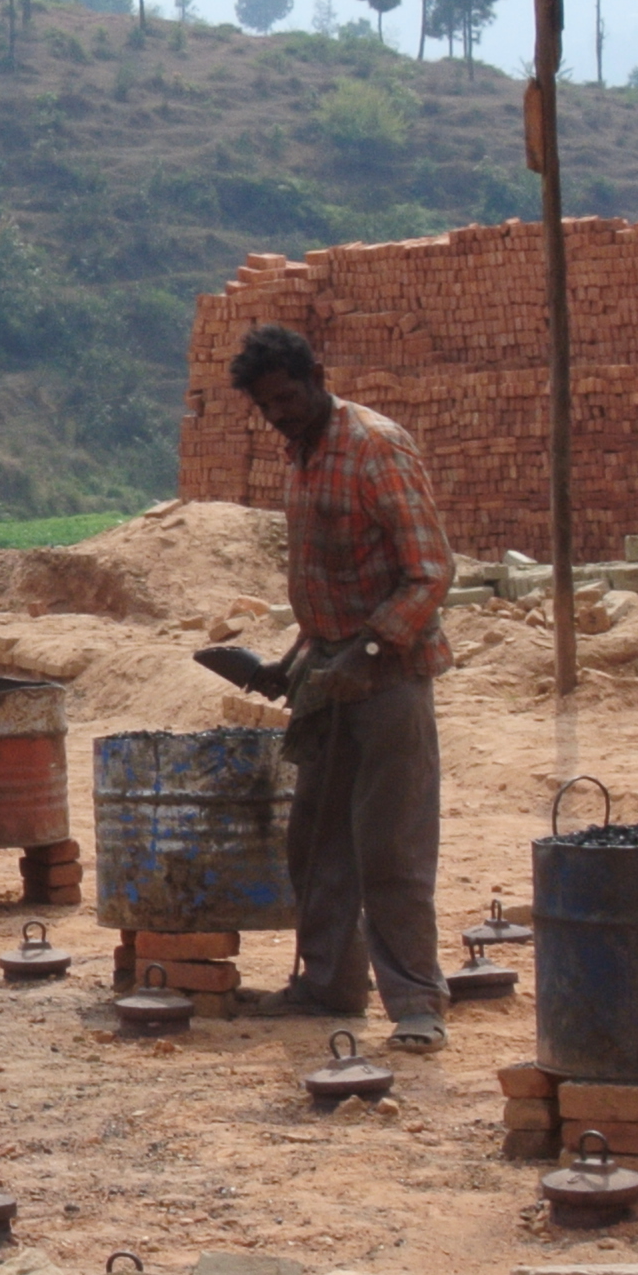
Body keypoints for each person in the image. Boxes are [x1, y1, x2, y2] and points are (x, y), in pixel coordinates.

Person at [225, 323, 457, 1050]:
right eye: (266, 408)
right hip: (326, 678)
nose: (280, 416)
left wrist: (370, 646)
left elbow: (430, 571)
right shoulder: (301, 454)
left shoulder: (374, 446)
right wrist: (292, 663)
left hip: (388, 681)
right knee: (317, 842)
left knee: (391, 847)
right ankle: (329, 986)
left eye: (288, 399)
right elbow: (330, 585)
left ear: (316, 377)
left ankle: (417, 1004)